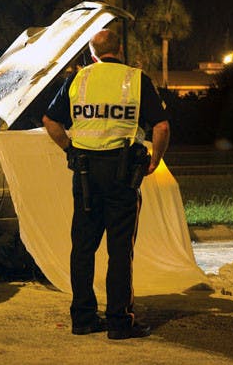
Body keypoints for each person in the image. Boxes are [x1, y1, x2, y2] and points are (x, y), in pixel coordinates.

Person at [42, 29, 170, 340]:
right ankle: (119, 321)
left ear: (92, 53)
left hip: (86, 175)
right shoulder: (136, 79)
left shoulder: (78, 79)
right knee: (120, 249)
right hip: (122, 175)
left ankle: (83, 318)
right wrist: (154, 160)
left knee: (83, 248)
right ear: (120, 49)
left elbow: (50, 121)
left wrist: (71, 150)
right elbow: (162, 126)